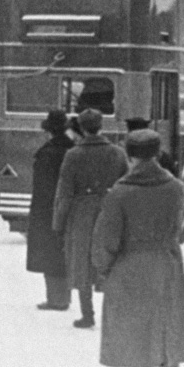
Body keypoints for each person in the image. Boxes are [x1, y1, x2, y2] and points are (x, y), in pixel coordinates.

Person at [92, 129, 184, 367]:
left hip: (131, 267)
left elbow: (107, 239)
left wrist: (103, 267)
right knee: (168, 333)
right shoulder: (176, 187)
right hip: (168, 264)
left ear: (129, 155)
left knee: (137, 335)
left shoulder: (121, 192)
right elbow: (179, 226)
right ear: (158, 152)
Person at [54, 109, 128, 329]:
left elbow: (65, 191)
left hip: (81, 213)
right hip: (110, 209)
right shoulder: (117, 152)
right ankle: (113, 314)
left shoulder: (73, 154)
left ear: (82, 128)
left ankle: (87, 314)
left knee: (82, 261)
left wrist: (59, 222)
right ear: (101, 125)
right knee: (111, 260)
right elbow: (124, 184)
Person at [28, 110, 74, 311]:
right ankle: (64, 296)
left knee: (50, 254)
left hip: (47, 209)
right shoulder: (72, 149)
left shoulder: (47, 153)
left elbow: (41, 187)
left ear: (48, 131)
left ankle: (56, 299)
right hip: (70, 207)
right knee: (64, 252)